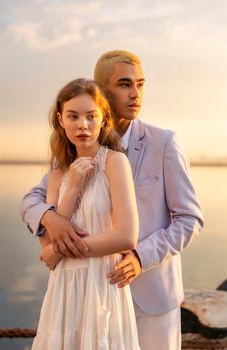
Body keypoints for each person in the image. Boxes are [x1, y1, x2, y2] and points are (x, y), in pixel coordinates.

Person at [21, 50, 204, 350]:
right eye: (124, 84)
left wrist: (141, 256)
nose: (136, 94)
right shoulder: (78, 147)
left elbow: (190, 218)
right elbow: (31, 200)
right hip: (93, 296)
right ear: (101, 90)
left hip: (153, 298)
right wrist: (50, 219)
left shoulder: (165, 143)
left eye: (141, 84)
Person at [30, 78, 140, 349]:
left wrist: (62, 250)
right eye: (73, 116)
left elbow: (127, 236)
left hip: (100, 283)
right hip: (63, 289)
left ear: (103, 120)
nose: (82, 125)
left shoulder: (115, 163)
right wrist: (73, 189)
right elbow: (47, 248)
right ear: (60, 119)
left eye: (91, 116)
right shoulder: (57, 173)